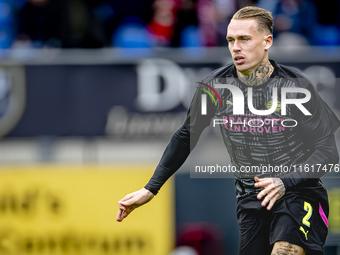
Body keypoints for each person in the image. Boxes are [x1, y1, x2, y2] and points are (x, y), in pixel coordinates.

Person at [116, 6, 340, 255]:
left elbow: (328, 152)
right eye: (231, 40)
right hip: (251, 201)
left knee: (284, 252)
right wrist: (150, 188)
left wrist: (285, 181)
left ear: (267, 42)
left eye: (244, 39)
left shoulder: (297, 87)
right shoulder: (215, 87)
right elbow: (186, 135)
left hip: (299, 194)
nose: (236, 47)